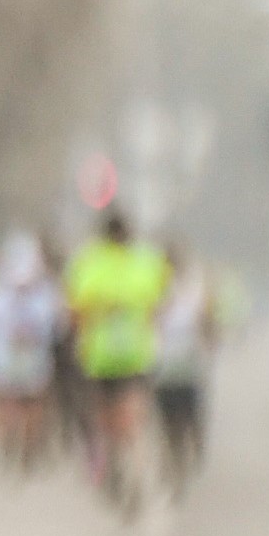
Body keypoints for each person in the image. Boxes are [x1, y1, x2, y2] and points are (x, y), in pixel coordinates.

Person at [63, 209, 168, 508]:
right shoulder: (146, 263)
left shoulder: (88, 262)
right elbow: (158, 306)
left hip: (98, 358)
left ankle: (116, 467)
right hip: (135, 356)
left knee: (105, 421)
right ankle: (131, 469)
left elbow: (74, 311)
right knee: (130, 421)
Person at [0, 232, 62, 472]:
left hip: (20, 357)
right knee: (21, 404)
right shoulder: (37, 292)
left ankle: (19, 445)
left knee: (20, 404)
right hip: (13, 357)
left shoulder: (0, 289)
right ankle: (17, 445)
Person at [149, 240, 217, 487]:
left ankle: (191, 449)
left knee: (189, 416)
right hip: (163, 365)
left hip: (188, 365)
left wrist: (206, 340)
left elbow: (209, 325)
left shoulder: (195, 292)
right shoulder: (153, 292)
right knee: (167, 419)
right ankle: (172, 460)